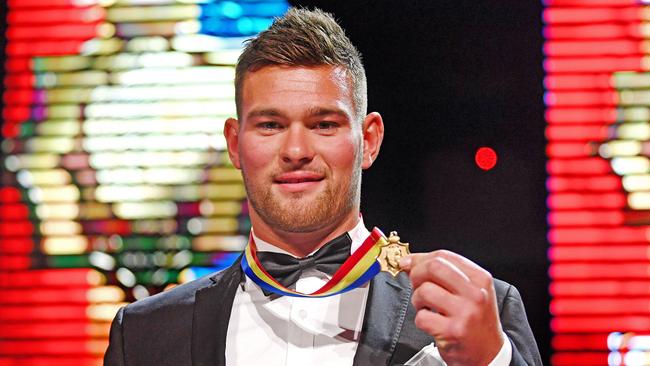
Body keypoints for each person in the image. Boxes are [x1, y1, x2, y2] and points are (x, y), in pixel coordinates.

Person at [104, 7, 542, 366]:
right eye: (271, 125)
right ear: (235, 145)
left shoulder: (481, 316)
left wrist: (490, 359)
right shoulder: (145, 335)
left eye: (324, 124)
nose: (296, 149)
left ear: (368, 140)